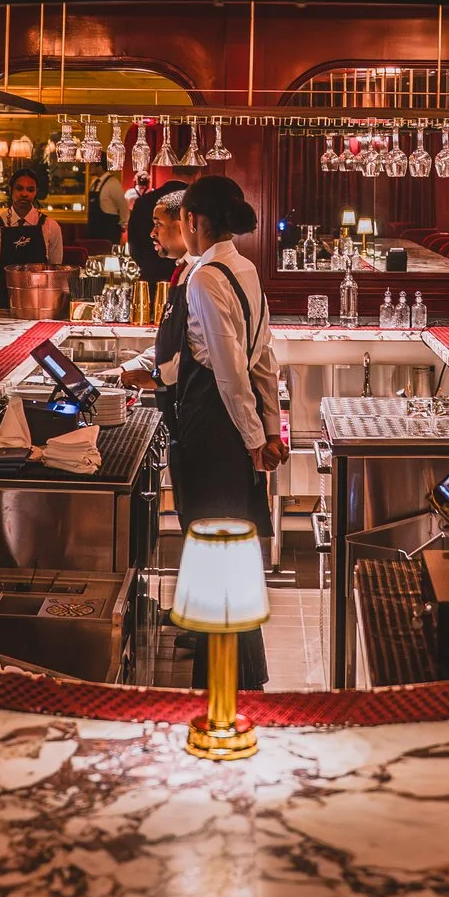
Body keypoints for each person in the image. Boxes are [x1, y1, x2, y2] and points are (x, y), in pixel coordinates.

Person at [166, 173, 284, 691]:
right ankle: (242, 676)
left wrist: (257, 439)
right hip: (235, 424)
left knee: (214, 549)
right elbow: (265, 358)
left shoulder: (203, 278)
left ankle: (223, 684)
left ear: (193, 220)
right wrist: (270, 429)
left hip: (214, 427)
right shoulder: (246, 269)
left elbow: (230, 370)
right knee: (231, 549)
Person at [116, 189, 196, 513]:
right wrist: (130, 367)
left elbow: (199, 351)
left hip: (194, 416)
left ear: (185, 223)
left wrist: (154, 377)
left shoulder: (202, 278)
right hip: (178, 414)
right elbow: (173, 341)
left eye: (158, 224)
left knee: (199, 515)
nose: (152, 233)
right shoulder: (183, 272)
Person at [0, 164, 63, 282]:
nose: (24, 194)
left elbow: (54, 270)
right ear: (11, 189)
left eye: (30, 190)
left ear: (36, 192)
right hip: (7, 290)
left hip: (40, 291)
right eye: (19, 188)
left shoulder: (51, 226)